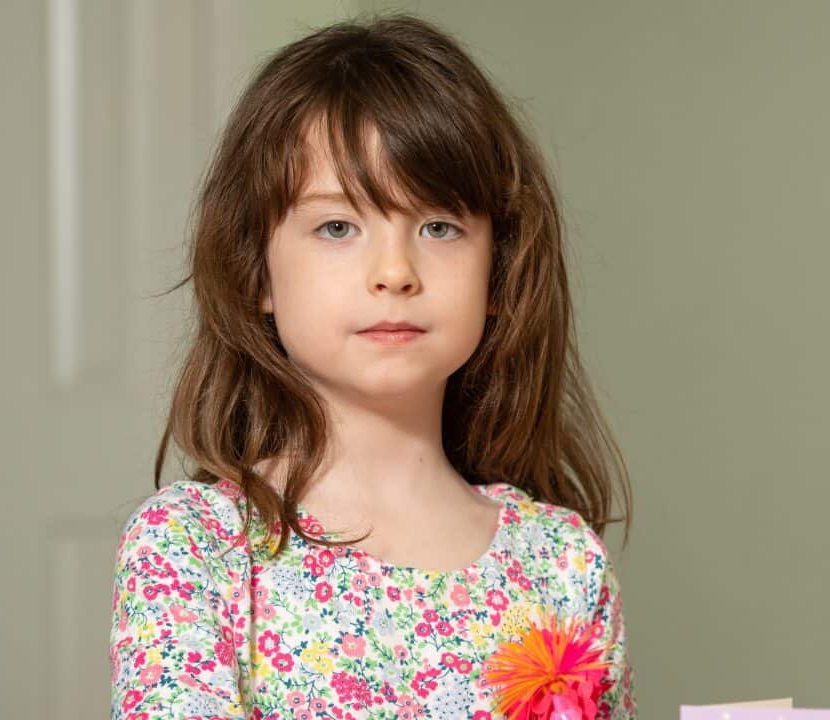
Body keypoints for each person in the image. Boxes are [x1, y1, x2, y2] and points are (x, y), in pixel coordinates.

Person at [108, 11, 636, 719]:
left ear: (498, 270)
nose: (394, 271)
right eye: (337, 227)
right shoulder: (192, 550)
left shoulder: (562, 565)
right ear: (255, 272)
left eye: (439, 227)